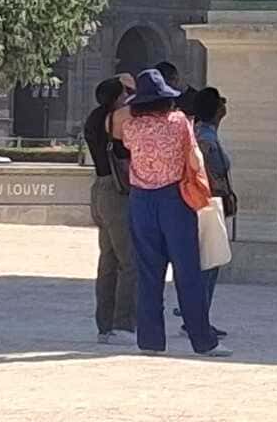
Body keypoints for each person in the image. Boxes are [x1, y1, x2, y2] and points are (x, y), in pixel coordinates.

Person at [119, 68, 232, 357]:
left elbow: (126, 143)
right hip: (175, 199)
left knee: (148, 274)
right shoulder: (180, 121)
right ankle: (202, 340)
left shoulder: (131, 127)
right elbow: (193, 157)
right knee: (188, 272)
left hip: (141, 201)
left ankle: (151, 340)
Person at [83, 77, 136, 346]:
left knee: (109, 260)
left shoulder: (94, 117)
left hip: (100, 190)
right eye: (127, 92)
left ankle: (105, 325)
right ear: (117, 97)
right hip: (117, 193)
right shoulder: (116, 118)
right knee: (130, 261)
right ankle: (123, 324)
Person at [186, 86, 236, 338]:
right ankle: (198, 315)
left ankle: (195, 312)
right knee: (210, 261)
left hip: (199, 201)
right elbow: (216, 168)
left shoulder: (197, 132)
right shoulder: (207, 138)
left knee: (203, 260)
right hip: (208, 202)